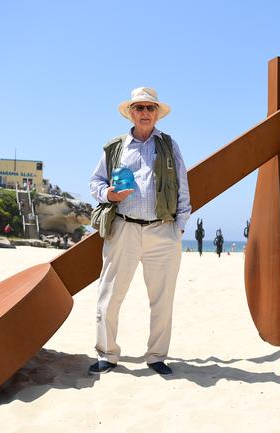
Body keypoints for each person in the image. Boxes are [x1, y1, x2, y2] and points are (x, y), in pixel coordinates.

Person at [88, 87, 190, 376]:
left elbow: (183, 187)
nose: (145, 113)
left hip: (163, 231)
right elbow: (94, 182)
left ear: (157, 114)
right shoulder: (115, 147)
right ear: (130, 113)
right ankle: (106, 355)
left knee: (162, 299)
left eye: (150, 108)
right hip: (124, 229)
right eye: (139, 108)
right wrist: (108, 194)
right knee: (109, 295)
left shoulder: (169, 146)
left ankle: (157, 356)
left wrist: (178, 228)